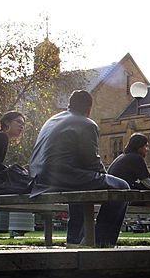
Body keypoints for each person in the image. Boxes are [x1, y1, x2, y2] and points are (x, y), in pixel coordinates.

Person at [29, 90, 130, 247]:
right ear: (89, 108)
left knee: (82, 185)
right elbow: (91, 161)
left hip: (40, 178)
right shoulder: (86, 123)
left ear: (69, 104)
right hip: (63, 177)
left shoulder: (52, 120)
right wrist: (104, 176)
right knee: (122, 188)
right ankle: (102, 241)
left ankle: (75, 240)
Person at [106, 133, 150, 206]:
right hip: (123, 195)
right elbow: (148, 183)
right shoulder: (136, 158)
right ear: (139, 147)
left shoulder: (122, 157)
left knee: (141, 187)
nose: (147, 149)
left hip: (114, 194)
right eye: (145, 146)